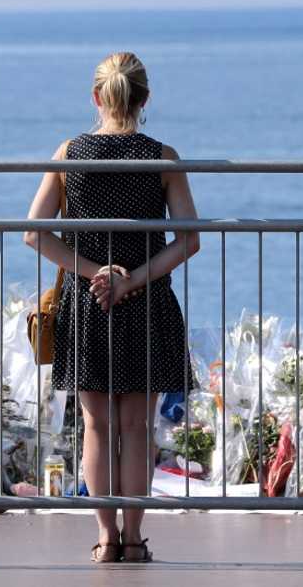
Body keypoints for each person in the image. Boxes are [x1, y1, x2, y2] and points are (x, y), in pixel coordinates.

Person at [25, 51, 200, 563]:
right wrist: (133, 279)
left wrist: (95, 274)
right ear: (145, 99)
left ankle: (105, 538)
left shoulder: (69, 153)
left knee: (96, 427)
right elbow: (189, 240)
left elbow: (35, 233)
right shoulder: (163, 157)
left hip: (87, 303)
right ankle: (134, 538)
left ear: (97, 97)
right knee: (137, 428)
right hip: (148, 302)